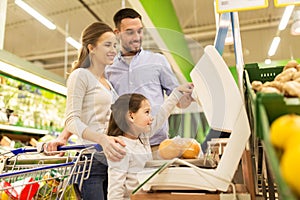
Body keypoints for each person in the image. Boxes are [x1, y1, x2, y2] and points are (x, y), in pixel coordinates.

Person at [105, 8, 193, 157]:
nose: (137, 37)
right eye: (130, 32)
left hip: (158, 145)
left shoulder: (157, 61)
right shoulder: (109, 68)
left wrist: (191, 95)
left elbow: (180, 102)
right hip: (125, 148)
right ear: (117, 33)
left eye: (140, 31)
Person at [56, 21, 126, 200]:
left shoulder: (107, 83)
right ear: (92, 48)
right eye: (107, 45)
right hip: (89, 163)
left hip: (109, 161)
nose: (113, 50)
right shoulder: (80, 75)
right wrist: (102, 139)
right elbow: (71, 120)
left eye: (115, 45)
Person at [106, 83, 194, 200]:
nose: (151, 118)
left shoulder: (142, 137)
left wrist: (177, 93)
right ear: (131, 116)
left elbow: (162, 115)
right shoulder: (120, 148)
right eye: (147, 112)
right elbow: (114, 193)